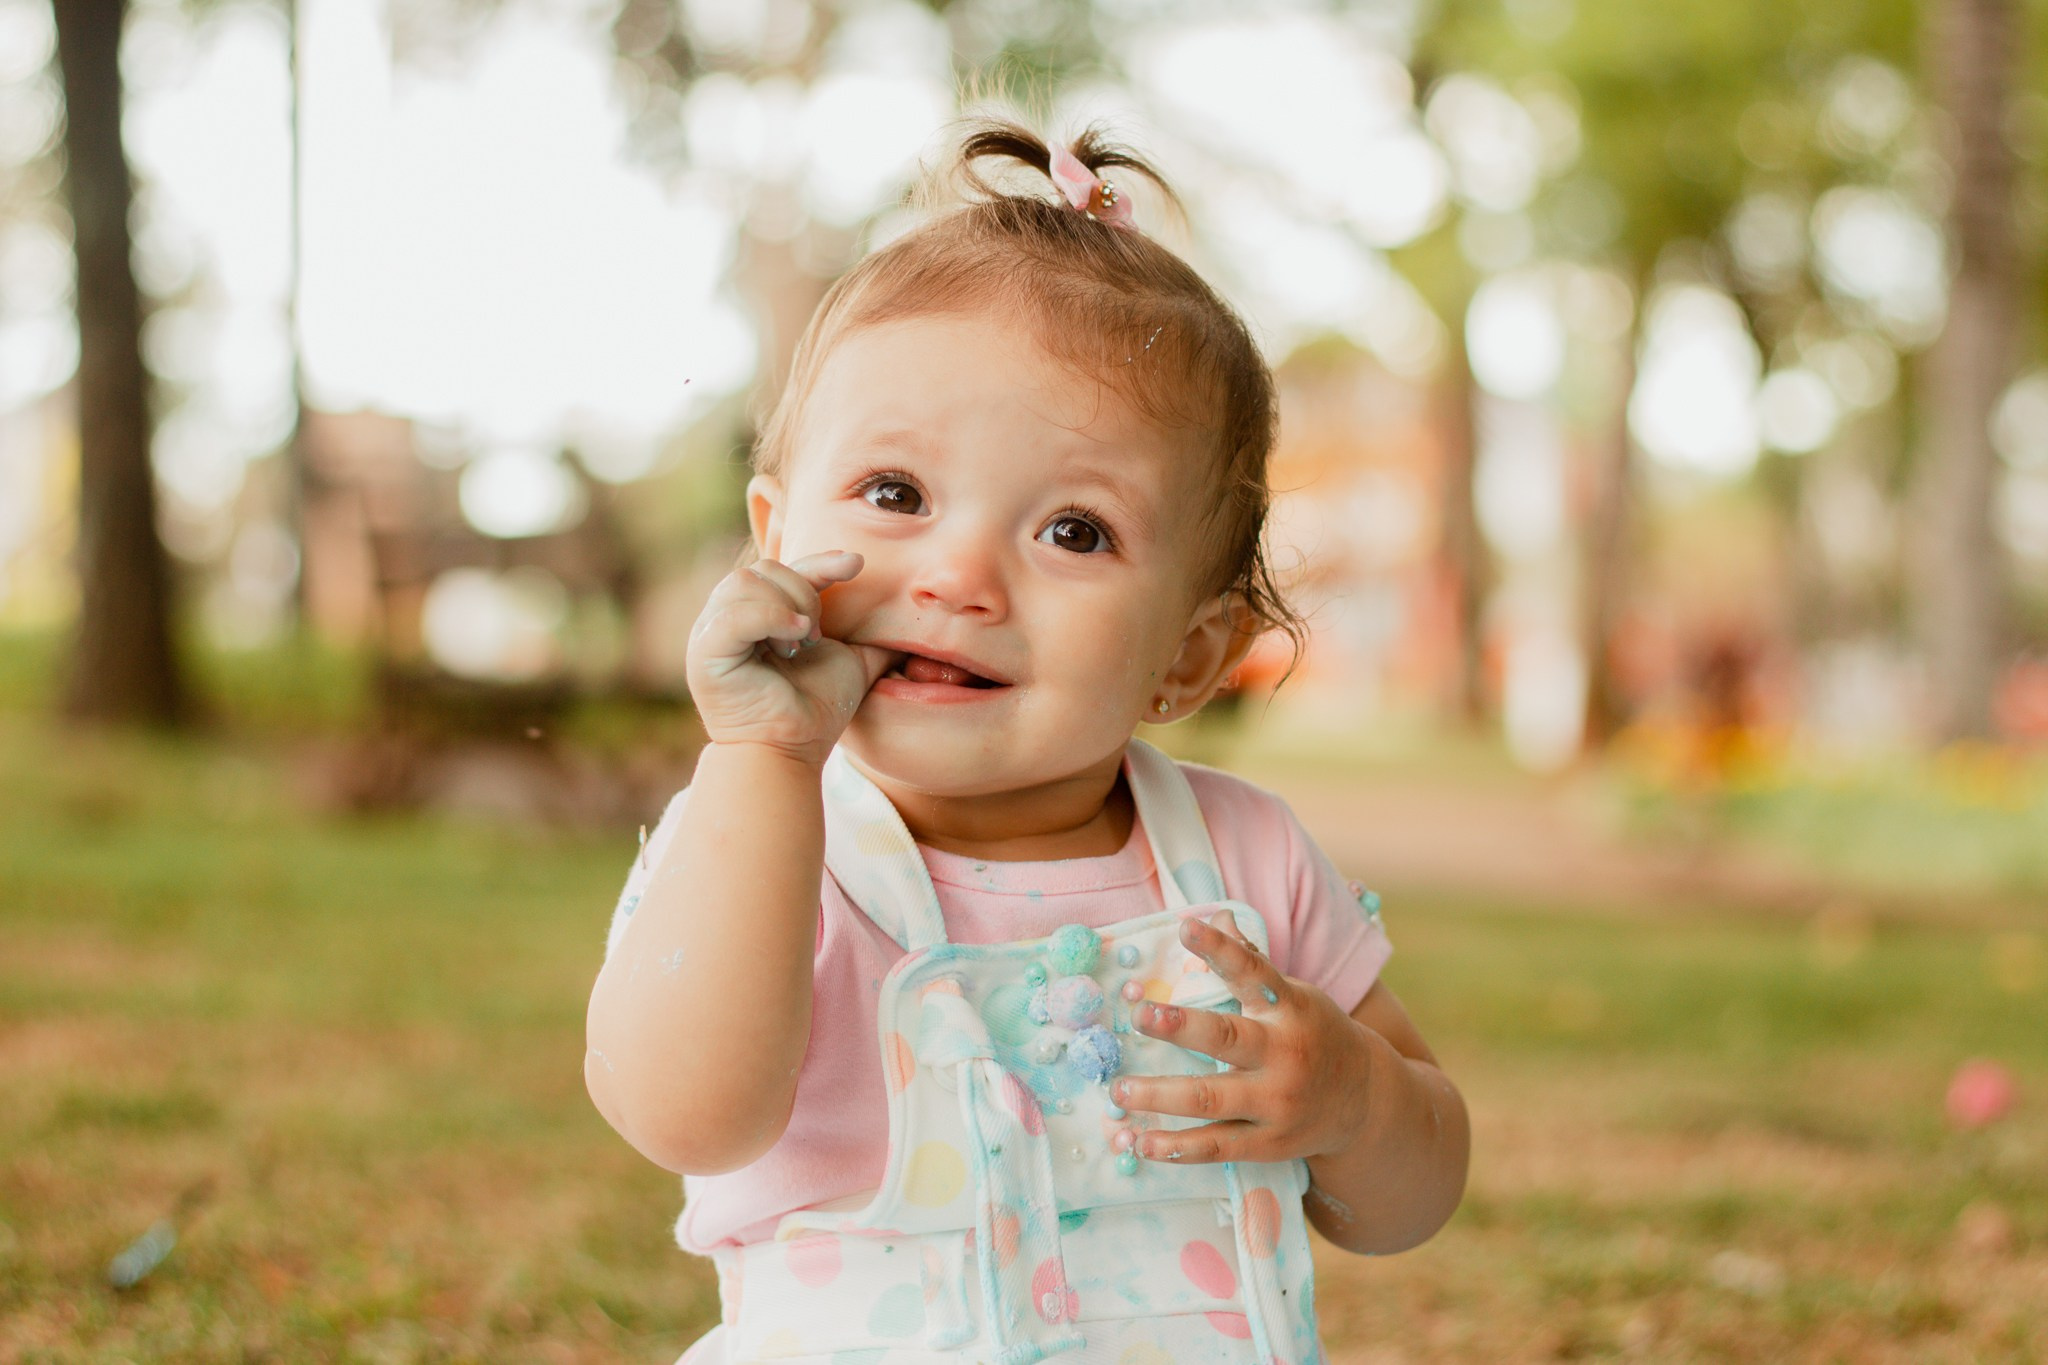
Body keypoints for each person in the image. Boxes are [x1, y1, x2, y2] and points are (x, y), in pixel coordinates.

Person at [585, 118, 1469, 1365]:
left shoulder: (1240, 862)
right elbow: (684, 1115)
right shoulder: (762, 832)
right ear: (773, 539)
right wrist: (760, 765)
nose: (955, 576)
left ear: (1188, 656)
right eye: (895, 496)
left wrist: (1356, 1102)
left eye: (1072, 532)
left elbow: (1414, 1197)